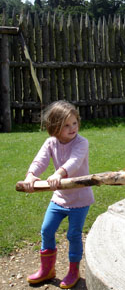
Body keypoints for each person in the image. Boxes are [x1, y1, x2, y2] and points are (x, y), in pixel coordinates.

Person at [23, 100, 94, 289]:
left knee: (73, 234)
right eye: (66, 125)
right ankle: (47, 270)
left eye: (74, 123)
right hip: (59, 198)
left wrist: (58, 174)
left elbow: (75, 161)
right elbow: (40, 160)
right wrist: (31, 175)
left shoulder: (82, 142)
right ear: (55, 127)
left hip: (80, 198)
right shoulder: (50, 142)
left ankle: (73, 271)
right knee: (46, 230)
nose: (72, 128)